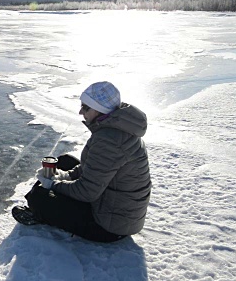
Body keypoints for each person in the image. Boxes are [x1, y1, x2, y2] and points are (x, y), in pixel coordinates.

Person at [12, 81, 151, 243]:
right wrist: (64, 175)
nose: (80, 112)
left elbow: (87, 192)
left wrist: (53, 185)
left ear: (100, 109)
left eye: (86, 107)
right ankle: (47, 196)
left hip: (110, 226)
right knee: (64, 161)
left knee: (39, 197)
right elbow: (90, 167)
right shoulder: (117, 128)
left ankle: (40, 213)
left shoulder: (108, 141)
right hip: (116, 207)